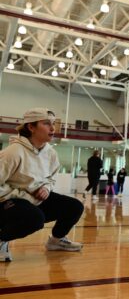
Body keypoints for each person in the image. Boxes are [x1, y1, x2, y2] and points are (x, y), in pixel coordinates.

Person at [0, 108, 84, 262]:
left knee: (74, 207)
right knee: (34, 218)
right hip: (7, 203)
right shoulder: (13, 152)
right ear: (31, 127)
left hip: (34, 200)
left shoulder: (50, 153)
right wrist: (23, 195)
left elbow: (51, 178)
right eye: (46, 123)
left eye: (53, 123)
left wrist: (46, 188)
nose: (52, 128)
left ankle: (56, 241)